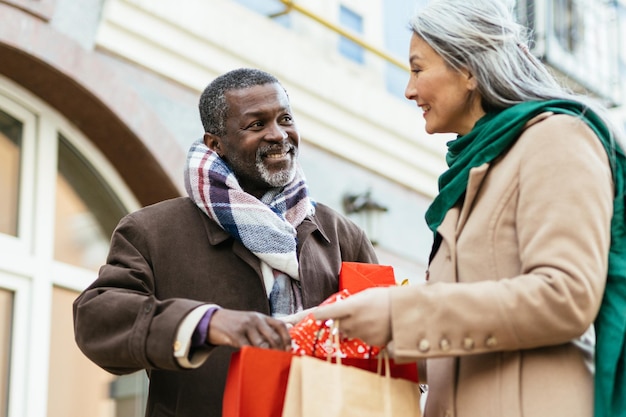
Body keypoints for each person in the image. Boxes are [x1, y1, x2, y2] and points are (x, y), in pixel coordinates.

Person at [314, 1, 626, 417]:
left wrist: (398, 313)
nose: (409, 90)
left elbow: (565, 297)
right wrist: (357, 336)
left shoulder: (558, 137)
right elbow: (462, 342)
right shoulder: (471, 175)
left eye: (418, 69)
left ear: (469, 70)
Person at [73, 68, 378, 417]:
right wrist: (206, 323)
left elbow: (385, 332)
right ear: (215, 143)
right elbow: (95, 320)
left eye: (285, 118)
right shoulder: (151, 231)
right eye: (256, 125)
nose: (278, 135)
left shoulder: (343, 235)